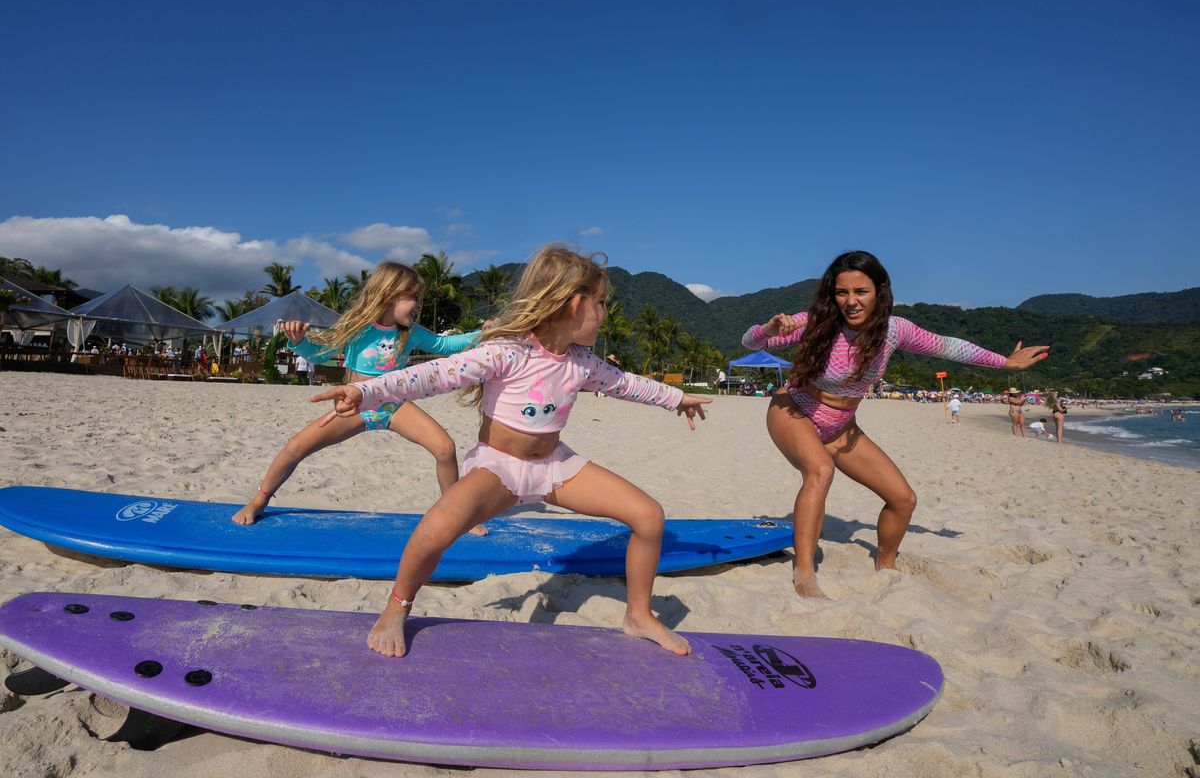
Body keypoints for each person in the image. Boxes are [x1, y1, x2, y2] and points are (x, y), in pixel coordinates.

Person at [311, 244, 712, 658]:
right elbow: (430, 376)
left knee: (649, 516)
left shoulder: (583, 362)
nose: (605, 312)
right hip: (498, 470)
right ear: (572, 304)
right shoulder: (508, 351)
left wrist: (675, 398)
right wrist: (365, 390)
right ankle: (396, 608)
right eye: (601, 303)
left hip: (556, 467)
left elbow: (627, 384)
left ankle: (639, 615)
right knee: (434, 530)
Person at [743, 250, 1048, 599]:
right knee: (820, 471)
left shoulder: (894, 330)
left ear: (880, 290)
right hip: (794, 408)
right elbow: (751, 342)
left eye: (861, 292)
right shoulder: (816, 321)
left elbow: (948, 347)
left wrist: (1004, 362)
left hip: (841, 425)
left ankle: (886, 564)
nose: (851, 301)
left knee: (903, 499)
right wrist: (766, 329)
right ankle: (805, 572)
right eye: (842, 292)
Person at [231, 262, 483, 527]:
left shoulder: (411, 333)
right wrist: (299, 342)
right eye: (414, 298)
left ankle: (454, 516)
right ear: (390, 294)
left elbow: (445, 345)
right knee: (295, 447)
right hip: (354, 408)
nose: (419, 304)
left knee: (445, 448)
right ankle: (258, 501)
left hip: (394, 406)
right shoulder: (356, 327)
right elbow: (321, 354)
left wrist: (485, 333)